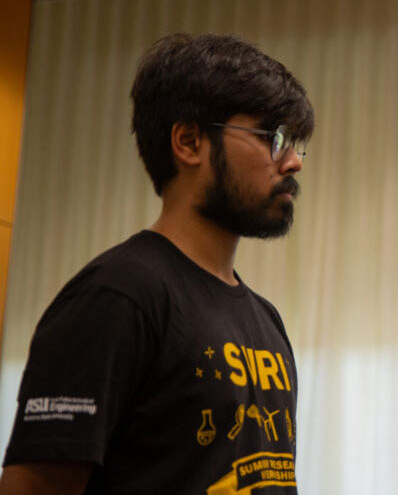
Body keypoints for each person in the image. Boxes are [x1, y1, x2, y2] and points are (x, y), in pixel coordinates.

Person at [0, 33, 314, 495]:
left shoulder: (264, 319)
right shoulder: (116, 297)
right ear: (189, 142)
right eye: (272, 138)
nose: (292, 163)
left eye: (294, 143)